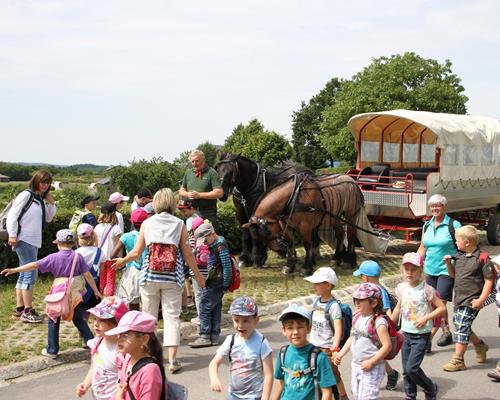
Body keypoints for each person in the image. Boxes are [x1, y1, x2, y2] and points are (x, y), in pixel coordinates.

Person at [111, 188, 206, 374]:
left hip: (149, 276)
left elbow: (137, 252)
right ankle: (172, 360)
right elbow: (187, 254)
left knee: (149, 317)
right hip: (172, 277)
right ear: (172, 203)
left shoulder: (147, 223)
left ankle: (152, 357)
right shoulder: (179, 224)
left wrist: (123, 260)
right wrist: (199, 276)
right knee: (172, 317)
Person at [1, 229, 102, 358]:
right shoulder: (78, 256)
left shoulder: (54, 257)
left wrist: (15, 269)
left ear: (58, 243)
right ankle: (94, 345)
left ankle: (52, 350)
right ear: (73, 243)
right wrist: (96, 290)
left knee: (53, 319)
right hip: (75, 293)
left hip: (59, 293)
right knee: (79, 320)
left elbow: (35, 264)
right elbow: (87, 275)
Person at [391, 252, 445, 400]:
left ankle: (429, 387)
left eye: (413, 269)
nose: (409, 272)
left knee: (412, 368)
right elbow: (398, 308)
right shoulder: (402, 288)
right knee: (406, 370)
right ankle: (410, 395)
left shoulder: (426, 290)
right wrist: (389, 324)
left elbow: (441, 308)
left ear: (420, 270)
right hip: (405, 333)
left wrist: (426, 318)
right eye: (406, 269)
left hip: (421, 335)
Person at [6, 170, 57, 323]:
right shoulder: (26, 195)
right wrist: (13, 234)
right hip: (24, 239)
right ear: (35, 181)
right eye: (42, 181)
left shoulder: (39, 199)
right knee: (30, 273)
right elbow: (13, 215)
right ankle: (27, 310)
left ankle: (20, 308)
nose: (45, 185)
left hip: (33, 240)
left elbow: (48, 218)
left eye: (48, 183)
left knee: (24, 273)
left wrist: (51, 202)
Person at [442, 225, 495, 372]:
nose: (455, 243)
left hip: (472, 300)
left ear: (467, 242)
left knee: (462, 326)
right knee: (461, 325)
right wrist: (448, 264)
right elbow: (453, 275)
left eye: (457, 240)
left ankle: (458, 360)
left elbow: (489, 281)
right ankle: (480, 346)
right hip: (459, 298)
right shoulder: (459, 257)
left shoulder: (482, 258)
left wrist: (481, 300)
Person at [417, 194, 461, 350]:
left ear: (444, 207)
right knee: (431, 305)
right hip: (430, 270)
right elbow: (423, 248)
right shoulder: (427, 225)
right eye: (432, 206)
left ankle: (428, 338)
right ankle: (447, 332)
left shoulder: (454, 225)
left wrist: (452, 258)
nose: (435, 208)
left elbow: (462, 249)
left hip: (447, 270)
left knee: (440, 304)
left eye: (438, 205)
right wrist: (413, 261)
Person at [333, 283, 391, 400]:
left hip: (372, 367)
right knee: (357, 394)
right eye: (356, 299)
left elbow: (387, 346)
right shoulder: (357, 318)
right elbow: (352, 337)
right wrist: (340, 354)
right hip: (356, 365)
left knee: (367, 397)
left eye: (361, 300)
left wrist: (372, 362)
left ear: (373, 303)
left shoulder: (379, 323)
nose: (356, 303)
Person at [209, 296, 274, 400]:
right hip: (233, 396)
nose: (240, 325)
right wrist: (214, 379)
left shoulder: (262, 343)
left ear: (256, 320)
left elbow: (269, 375)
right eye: (236, 320)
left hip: (254, 397)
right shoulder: (231, 340)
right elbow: (214, 363)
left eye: (245, 321)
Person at [352, 260, 400, 390]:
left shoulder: (379, 292)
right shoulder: (379, 289)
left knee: (374, 354)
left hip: (378, 329)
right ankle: (391, 373)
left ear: (365, 277)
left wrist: (382, 323)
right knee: (373, 353)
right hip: (373, 327)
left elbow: (388, 313)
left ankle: (390, 374)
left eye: (361, 276)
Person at [273, 304, 336, 400]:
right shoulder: (283, 353)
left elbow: (327, 391)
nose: (295, 332)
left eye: (300, 327)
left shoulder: (319, 357)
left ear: (309, 328)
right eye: (290, 328)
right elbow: (280, 382)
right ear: (284, 330)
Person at [304, 267, 348, 400]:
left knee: (334, 374)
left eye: (317, 283)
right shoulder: (316, 301)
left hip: (327, 349)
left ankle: (343, 396)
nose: (314, 286)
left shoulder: (334, 306)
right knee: (313, 373)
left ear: (328, 286)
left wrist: (335, 350)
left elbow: (338, 330)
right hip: (313, 346)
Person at [188, 222, 232, 349]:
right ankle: (214, 335)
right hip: (215, 281)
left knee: (204, 306)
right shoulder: (216, 245)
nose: (205, 244)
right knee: (216, 307)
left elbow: (227, 266)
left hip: (215, 282)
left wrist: (225, 284)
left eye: (205, 240)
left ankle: (205, 335)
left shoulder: (220, 247)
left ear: (211, 234)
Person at [76, 296, 129, 399]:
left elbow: (125, 380)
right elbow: (94, 368)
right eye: (95, 319)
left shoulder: (121, 351)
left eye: (102, 320)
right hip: (96, 396)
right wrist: (85, 384)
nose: (96, 324)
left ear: (116, 324)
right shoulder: (97, 343)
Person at [108, 311, 165, 400]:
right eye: (119, 334)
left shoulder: (150, 371)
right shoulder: (127, 359)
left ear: (144, 339)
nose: (119, 340)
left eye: (125, 336)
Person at [112, 208, 150, 310]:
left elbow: (113, 254)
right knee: (148, 299)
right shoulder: (149, 235)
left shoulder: (126, 236)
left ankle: (135, 318)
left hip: (131, 270)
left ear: (131, 221)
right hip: (147, 269)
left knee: (133, 298)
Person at [179, 149, 223, 231]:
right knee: (191, 240)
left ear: (203, 160)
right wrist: (188, 194)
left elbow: (219, 193)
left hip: (208, 213)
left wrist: (199, 195)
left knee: (209, 240)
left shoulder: (212, 173)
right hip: (191, 213)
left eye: (197, 161)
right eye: (192, 161)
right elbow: (181, 191)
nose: (194, 164)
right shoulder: (188, 173)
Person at [76, 223, 107, 310]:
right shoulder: (100, 252)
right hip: (94, 287)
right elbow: (102, 272)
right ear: (94, 236)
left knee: (79, 309)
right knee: (92, 309)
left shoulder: (76, 253)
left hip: (78, 286)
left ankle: (82, 321)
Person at [95, 202, 122, 297]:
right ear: (114, 214)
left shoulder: (97, 227)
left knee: (101, 280)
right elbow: (119, 245)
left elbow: (95, 243)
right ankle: (108, 302)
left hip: (100, 259)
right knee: (110, 281)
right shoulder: (116, 228)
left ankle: (100, 298)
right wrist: (120, 259)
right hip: (112, 258)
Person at [487, 254, 500, 381]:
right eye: (496, 265)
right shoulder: (498, 280)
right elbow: (494, 295)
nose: (496, 268)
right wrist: (481, 303)